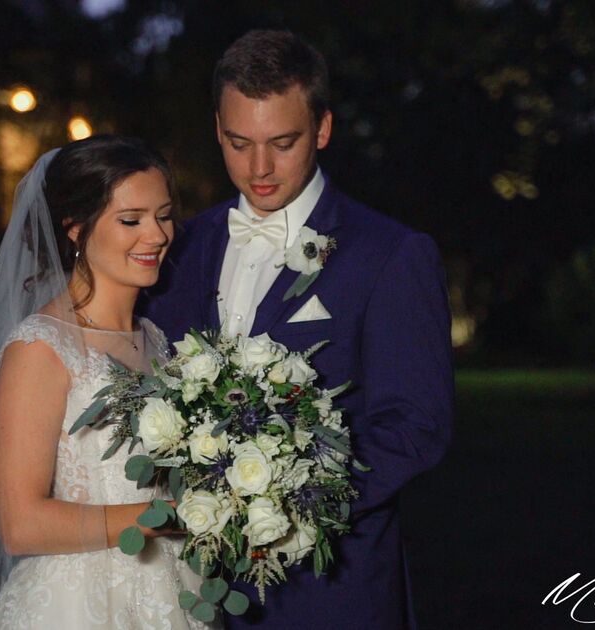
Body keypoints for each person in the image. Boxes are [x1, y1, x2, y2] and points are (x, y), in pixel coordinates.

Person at [140, 30, 454, 629]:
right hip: (185, 592)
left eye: (283, 143)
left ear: (323, 129)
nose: (259, 168)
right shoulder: (176, 249)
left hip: (330, 595)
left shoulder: (390, 255)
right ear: (217, 130)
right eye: (239, 143)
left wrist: (288, 501)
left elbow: (416, 426)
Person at [0, 135, 215, 629]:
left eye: (163, 215)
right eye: (131, 220)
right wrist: (172, 517)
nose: (156, 235)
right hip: (76, 604)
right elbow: (20, 525)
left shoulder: (156, 341)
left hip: (173, 592)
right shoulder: (41, 348)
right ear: (75, 229)